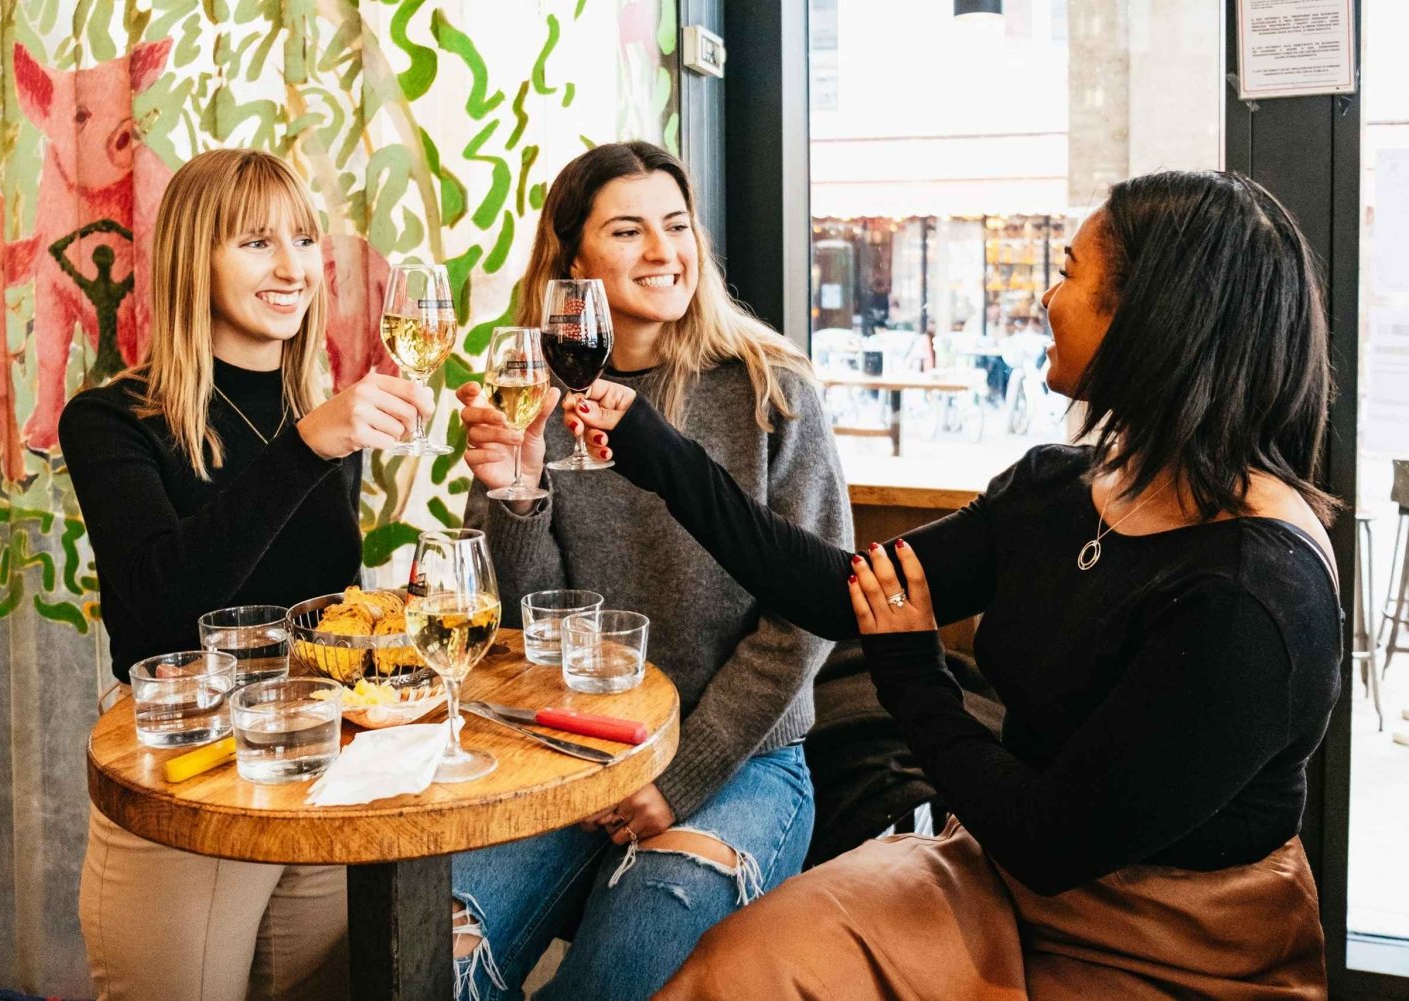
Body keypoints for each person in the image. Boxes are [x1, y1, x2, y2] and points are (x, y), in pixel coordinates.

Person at [568, 170, 1340, 999]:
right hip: (993, 870)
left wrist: (914, 673)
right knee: (738, 968)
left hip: (1171, 939)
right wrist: (655, 447)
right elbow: (842, 591)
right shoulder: (1062, 488)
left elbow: (1051, 841)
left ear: (1151, 318)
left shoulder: (1252, 598)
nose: (1045, 297)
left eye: (1069, 273)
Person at [450, 140, 851, 1000]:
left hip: (741, 763)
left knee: (619, 967)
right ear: (572, 262)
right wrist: (519, 497)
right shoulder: (530, 394)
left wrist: (680, 773)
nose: (664, 251)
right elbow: (525, 631)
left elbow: (806, 618)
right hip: (567, 753)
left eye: (677, 225)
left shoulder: (771, 388)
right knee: (438, 958)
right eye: (628, 231)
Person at [60, 148, 433, 1000]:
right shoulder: (112, 420)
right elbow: (158, 615)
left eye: (303, 240)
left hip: (317, 766)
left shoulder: (323, 421)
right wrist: (304, 450)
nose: (293, 267)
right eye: (257, 242)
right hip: (188, 777)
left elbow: (317, 607)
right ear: (194, 258)